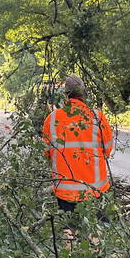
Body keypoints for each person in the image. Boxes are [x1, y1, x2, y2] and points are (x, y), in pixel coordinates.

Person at [42, 75, 114, 213]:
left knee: (69, 229)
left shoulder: (52, 119)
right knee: (95, 229)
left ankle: (70, 235)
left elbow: (47, 152)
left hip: (65, 189)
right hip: (95, 189)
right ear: (83, 93)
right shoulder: (96, 117)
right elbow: (108, 150)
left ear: (66, 94)